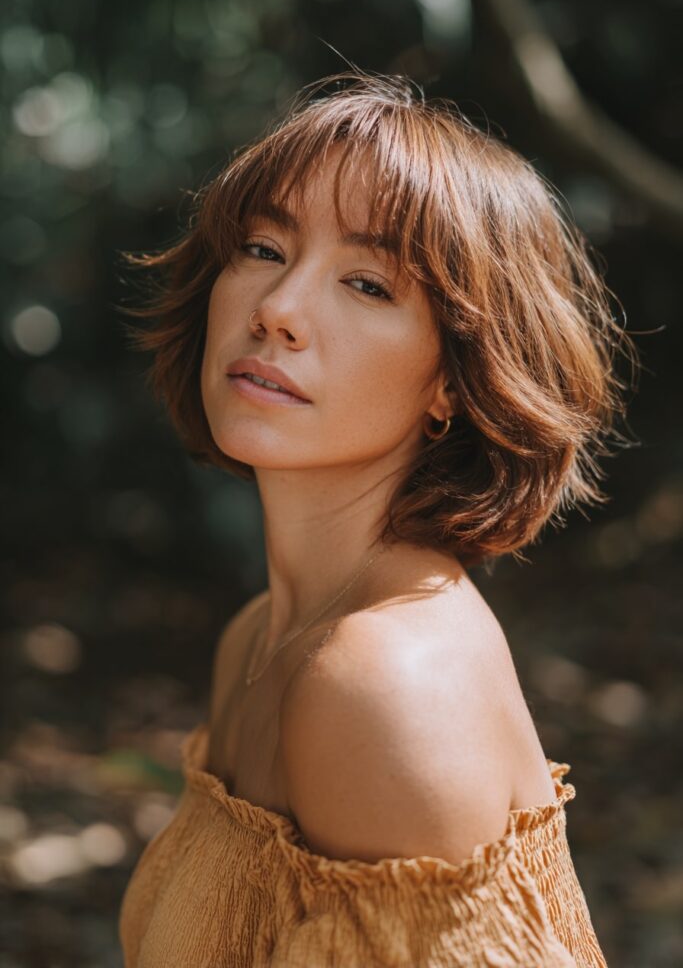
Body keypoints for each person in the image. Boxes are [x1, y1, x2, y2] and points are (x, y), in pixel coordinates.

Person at [117, 71, 637, 966]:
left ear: (451, 379)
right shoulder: (260, 639)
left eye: (366, 284)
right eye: (263, 249)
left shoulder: (381, 684)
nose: (276, 312)